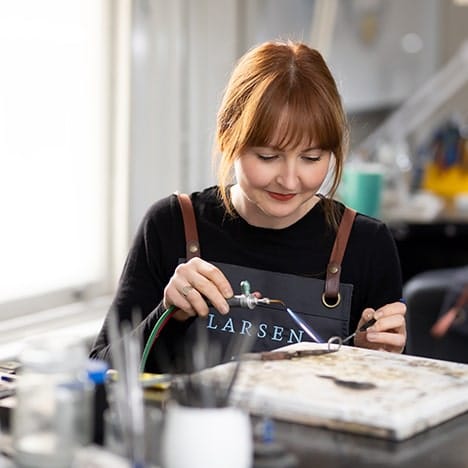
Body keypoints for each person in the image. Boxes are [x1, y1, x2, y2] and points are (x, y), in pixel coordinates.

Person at [90, 40, 406, 373]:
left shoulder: (367, 244)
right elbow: (100, 374)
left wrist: (375, 354)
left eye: (311, 158)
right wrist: (167, 313)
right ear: (229, 137)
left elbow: (386, 398)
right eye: (268, 157)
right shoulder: (170, 225)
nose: (289, 180)